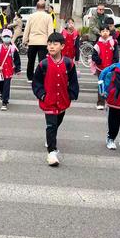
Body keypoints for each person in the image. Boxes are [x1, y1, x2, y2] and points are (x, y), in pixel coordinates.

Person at [32, 32, 79, 167]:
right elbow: (37, 83)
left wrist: (71, 95)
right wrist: (42, 95)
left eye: (55, 44)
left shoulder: (69, 64)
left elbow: (73, 81)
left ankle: (50, 137)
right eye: (49, 44)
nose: (51, 46)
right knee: (51, 125)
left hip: (63, 101)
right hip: (49, 101)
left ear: (62, 46)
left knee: (58, 122)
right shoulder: (43, 64)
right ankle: (52, 152)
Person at [23, 1, 54, 83]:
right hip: (43, 42)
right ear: (45, 8)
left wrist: (25, 40)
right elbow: (50, 31)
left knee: (31, 60)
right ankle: (42, 77)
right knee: (43, 61)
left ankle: (30, 77)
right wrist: (50, 43)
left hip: (32, 41)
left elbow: (27, 29)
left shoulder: (31, 16)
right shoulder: (48, 17)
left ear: (36, 7)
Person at [92, 25, 119, 110]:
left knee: (111, 85)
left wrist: (115, 64)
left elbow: (116, 55)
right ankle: (100, 102)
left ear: (109, 32)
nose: (105, 32)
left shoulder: (113, 42)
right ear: (100, 33)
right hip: (100, 69)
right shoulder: (97, 44)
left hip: (110, 68)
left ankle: (111, 101)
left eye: (107, 31)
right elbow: (94, 56)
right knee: (101, 84)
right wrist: (98, 60)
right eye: (103, 31)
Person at [0, 29, 21, 111]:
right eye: (5, 36)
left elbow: (17, 60)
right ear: (2, 38)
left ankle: (4, 102)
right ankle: (2, 94)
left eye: (8, 37)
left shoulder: (13, 49)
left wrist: (18, 69)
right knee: (1, 84)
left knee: (6, 86)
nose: (6, 38)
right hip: (0, 71)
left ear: (11, 37)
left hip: (9, 70)